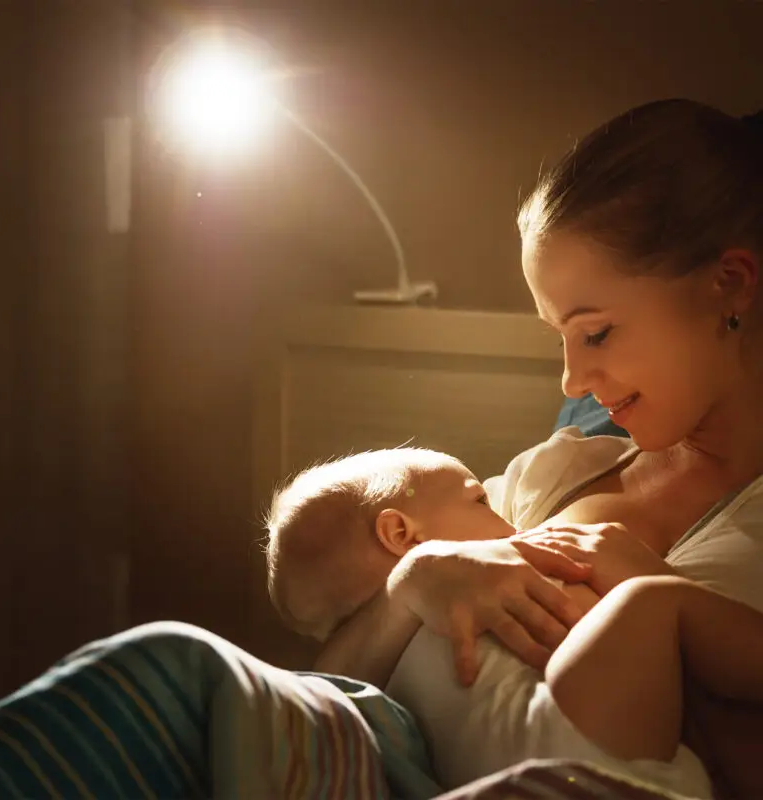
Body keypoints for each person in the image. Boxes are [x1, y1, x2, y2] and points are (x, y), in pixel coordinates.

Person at [313, 99, 763, 799]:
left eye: (598, 332)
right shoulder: (558, 472)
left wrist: (652, 595)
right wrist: (414, 580)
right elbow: (324, 687)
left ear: (728, 283)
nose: (573, 380)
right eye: (560, 337)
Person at [266, 442, 763, 796]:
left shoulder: (382, 666)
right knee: (649, 601)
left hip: (501, 769)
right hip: (562, 741)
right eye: (478, 500)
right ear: (400, 532)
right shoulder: (478, 582)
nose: (514, 525)